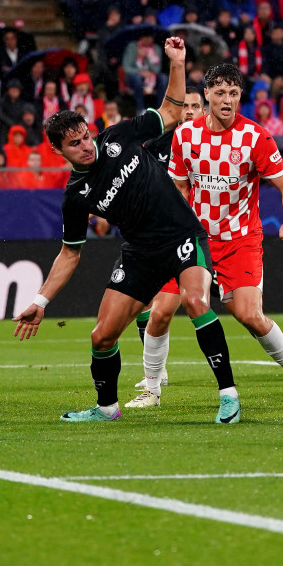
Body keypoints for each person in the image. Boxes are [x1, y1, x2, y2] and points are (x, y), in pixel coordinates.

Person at [13, 38, 242, 424]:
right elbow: (70, 253)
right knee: (101, 337)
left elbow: (170, 111)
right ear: (58, 151)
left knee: (195, 301)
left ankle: (228, 396)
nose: (86, 146)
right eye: (74, 144)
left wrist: (177, 62)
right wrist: (41, 301)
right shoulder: (76, 197)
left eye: (85, 136)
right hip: (140, 254)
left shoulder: (118, 136)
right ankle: (106, 409)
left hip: (183, 235)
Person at [169, 63, 283, 407]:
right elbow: (179, 187)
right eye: (221, 92)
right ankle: (158, 387)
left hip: (241, 239)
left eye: (234, 93)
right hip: (198, 240)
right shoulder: (185, 136)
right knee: (180, 302)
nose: (227, 100)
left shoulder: (255, 136)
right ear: (207, 94)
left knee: (249, 316)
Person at [125, 86, 207, 404]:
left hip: (201, 237)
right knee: (149, 306)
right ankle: (156, 378)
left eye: (195, 106)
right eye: (184, 105)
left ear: (203, 110)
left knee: (246, 311)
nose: (188, 110)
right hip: (158, 234)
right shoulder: (155, 146)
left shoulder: (210, 146)